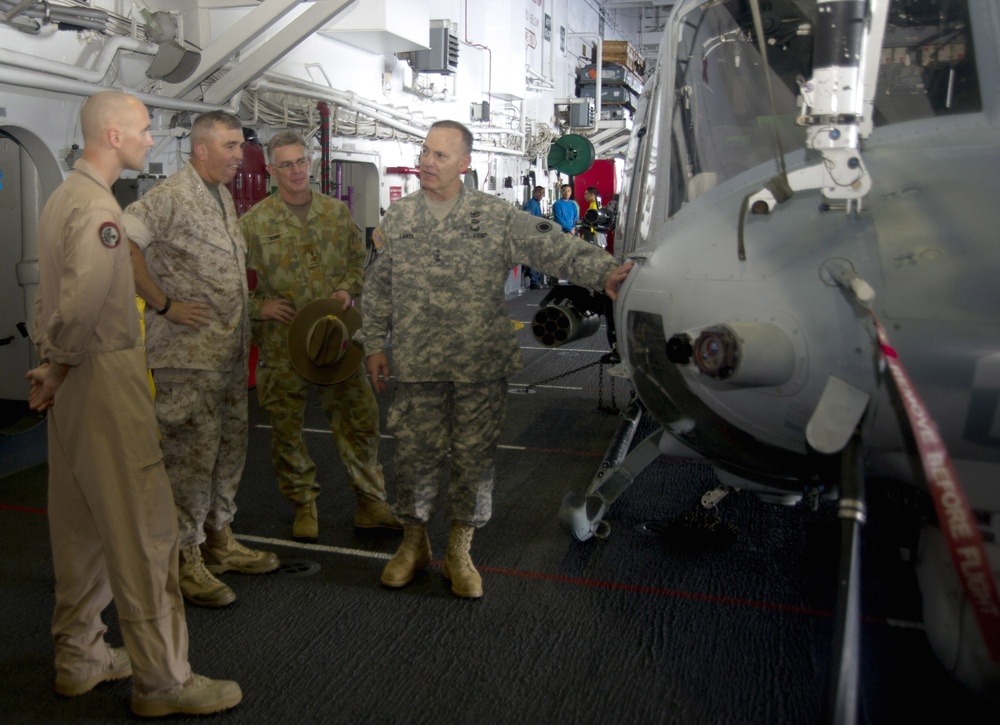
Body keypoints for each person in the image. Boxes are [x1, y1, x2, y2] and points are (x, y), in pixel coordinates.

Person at [25, 90, 241, 717]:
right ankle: (164, 680)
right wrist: (59, 366)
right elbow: (84, 303)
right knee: (146, 533)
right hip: (101, 379)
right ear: (113, 136)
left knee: (81, 529)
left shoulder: (63, 197)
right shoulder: (100, 211)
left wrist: (51, 368)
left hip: (73, 385)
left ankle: (81, 656)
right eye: (145, 129)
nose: (152, 138)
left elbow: (58, 298)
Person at [359, 120, 633, 599]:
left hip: (478, 365)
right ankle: (413, 544)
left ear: (465, 165)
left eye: (440, 156)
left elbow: (553, 245)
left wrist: (606, 272)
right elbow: (378, 284)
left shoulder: (495, 216)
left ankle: (460, 550)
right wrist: (373, 343)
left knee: (473, 457)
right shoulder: (399, 218)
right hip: (417, 363)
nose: (427, 161)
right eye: (425, 151)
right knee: (413, 456)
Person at [124, 110, 279, 609]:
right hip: (188, 358)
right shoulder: (171, 195)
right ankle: (182, 559)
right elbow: (123, 244)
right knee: (188, 458)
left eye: (240, 146)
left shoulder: (223, 194)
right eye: (231, 146)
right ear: (202, 149)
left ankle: (220, 540)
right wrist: (163, 303)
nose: (240, 156)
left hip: (228, 353)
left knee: (228, 449)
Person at [239, 131, 402, 540]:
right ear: (272, 171)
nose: (296, 171)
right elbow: (225, 280)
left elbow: (356, 260)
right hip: (283, 343)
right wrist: (261, 307)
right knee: (286, 430)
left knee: (360, 421)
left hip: (338, 339)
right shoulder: (254, 223)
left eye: (301, 162)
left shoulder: (335, 213)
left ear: (309, 163)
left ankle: (370, 502)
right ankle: (303, 505)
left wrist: (348, 287)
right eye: (286, 165)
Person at [522, 185, 545, 289]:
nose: (541, 195)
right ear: (534, 193)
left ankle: (538, 280)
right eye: (539, 193)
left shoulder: (537, 204)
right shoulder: (531, 205)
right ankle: (534, 281)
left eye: (542, 193)